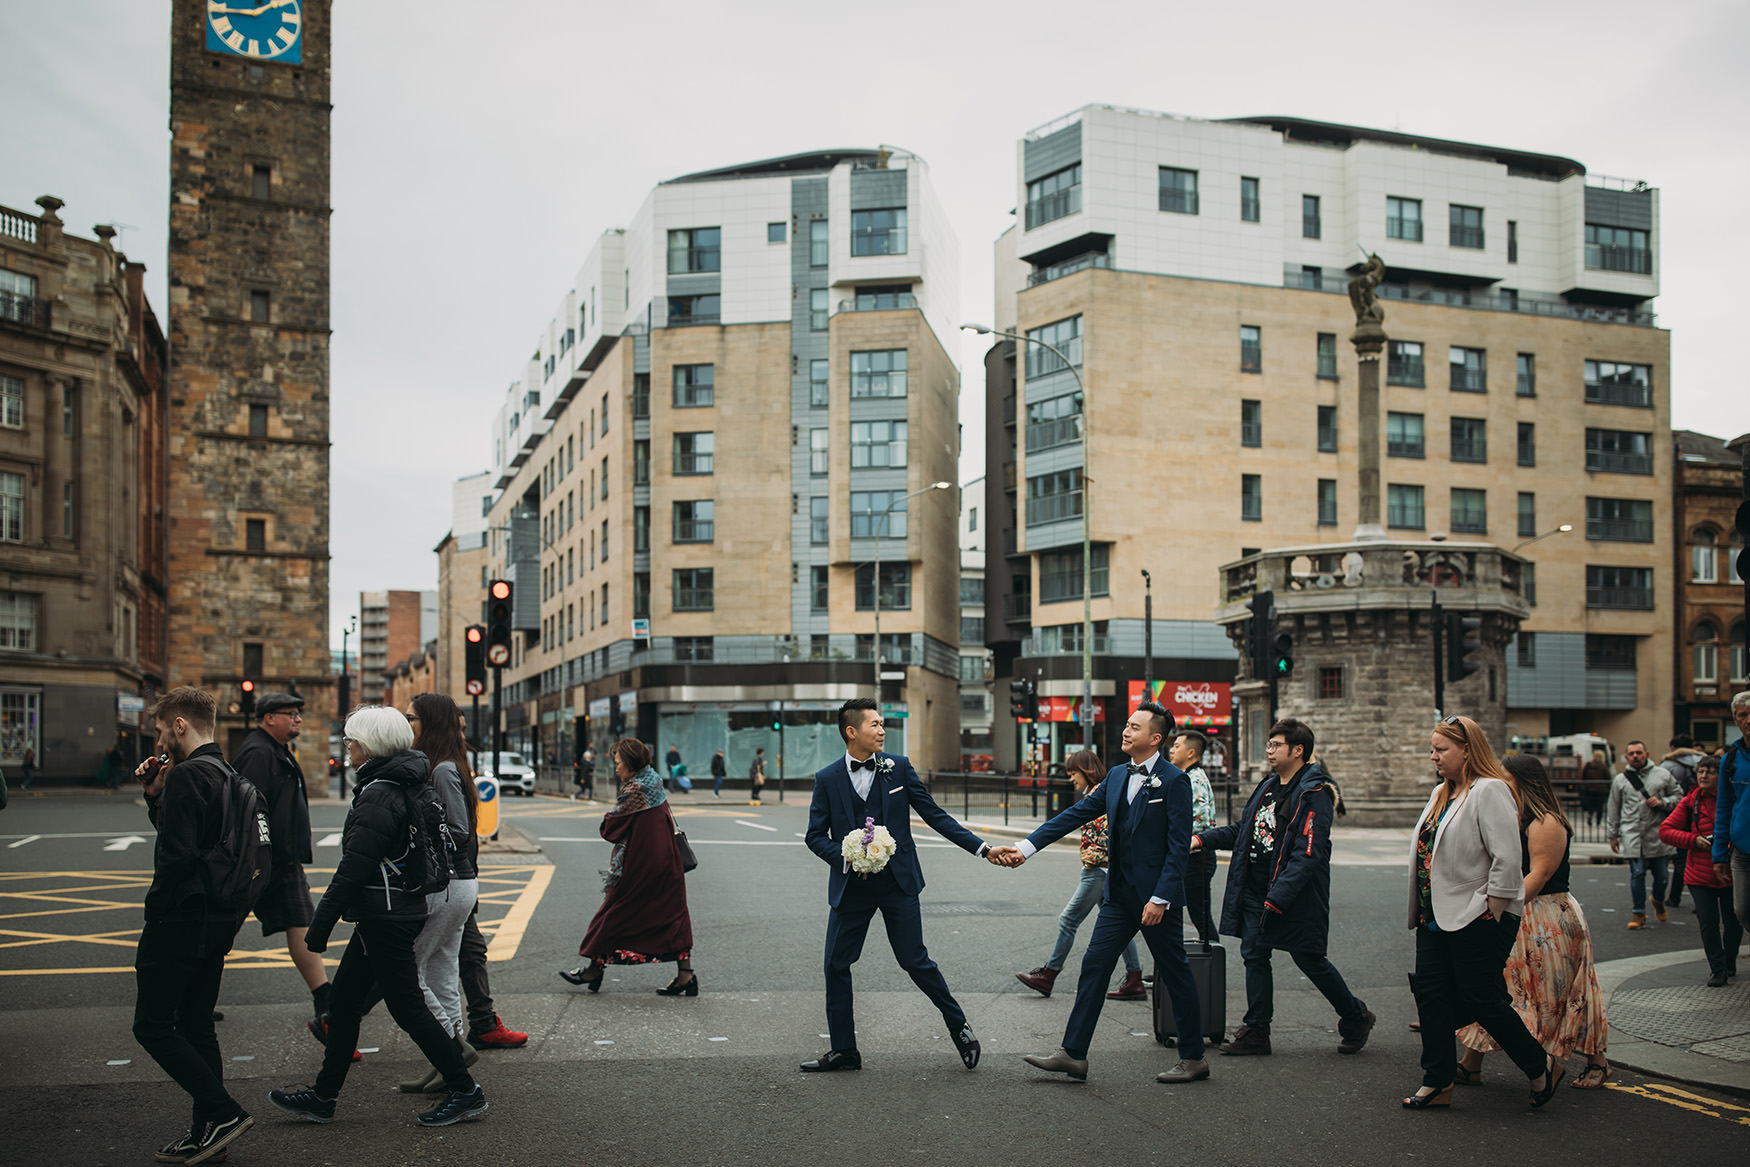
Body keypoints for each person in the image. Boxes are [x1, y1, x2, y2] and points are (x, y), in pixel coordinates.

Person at [268, 706, 487, 1128]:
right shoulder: (403, 780)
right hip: (388, 912)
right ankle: (324, 1096)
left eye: (351, 741)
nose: (346, 747)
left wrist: (320, 925)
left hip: (386, 916)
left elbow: (355, 866)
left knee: (407, 1008)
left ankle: (465, 1090)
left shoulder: (380, 792)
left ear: (369, 745)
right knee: (345, 1005)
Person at [1005, 701, 1212, 1086]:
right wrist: (1027, 847)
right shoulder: (1116, 775)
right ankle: (1073, 1054)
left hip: (1156, 901)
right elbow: (1074, 815)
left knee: (1176, 973)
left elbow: (1178, 845)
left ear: (1155, 738)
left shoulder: (1174, 781)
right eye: (1126, 724)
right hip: (1118, 896)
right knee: (1094, 966)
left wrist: (1161, 898)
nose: (1125, 731)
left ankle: (1194, 1057)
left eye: (1135, 727)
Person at [800, 697, 996, 1073]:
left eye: (882, 723)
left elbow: (935, 816)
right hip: (851, 886)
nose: (882, 729)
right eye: (874, 724)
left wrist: (982, 848)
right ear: (851, 731)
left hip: (897, 883)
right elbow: (814, 835)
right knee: (835, 965)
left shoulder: (898, 768)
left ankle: (960, 1028)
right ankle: (844, 1051)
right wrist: (845, 854)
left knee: (915, 961)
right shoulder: (827, 779)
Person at [1404, 715, 1562, 1110]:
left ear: (1468, 750)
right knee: (1432, 996)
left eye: (1441, 749)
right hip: (1433, 916)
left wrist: (1490, 909)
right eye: (1432, 749)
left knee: (1481, 997)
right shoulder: (1442, 792)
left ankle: (1539, 1064)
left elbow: (1507, 859)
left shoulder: (1490, 790)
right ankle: (1437, 1081)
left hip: (1477, 915)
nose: (1433, 756)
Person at [1193, 717, 1375, 1058]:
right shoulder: (1267, 786)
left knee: (1310, 959)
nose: (1269, 750)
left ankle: (1355, 1015)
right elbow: (1244, 830)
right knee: (1254, 954)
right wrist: (1201, 839)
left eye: (1276, 745)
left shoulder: (1314, 793)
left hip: (1293, 894)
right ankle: (1257, 1029)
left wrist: (1278, 897)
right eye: (1269, 744)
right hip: (1255, 889)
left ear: (1298, 750)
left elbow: (1308, 852)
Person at [131, 686, 255, 1164]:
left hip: (179, 919)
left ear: (180, 725)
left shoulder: (187, 776)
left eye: (162, 729)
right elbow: (199, 843)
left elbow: (176, 859)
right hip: (218, 918)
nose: (160, 740)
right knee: (198, 1024)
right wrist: (154, 797)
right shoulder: (227, 774)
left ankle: (221, 1112)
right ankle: (210, 1133)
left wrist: (155, 915)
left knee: (153, 1025)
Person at [1457, 754, 1611, 1089]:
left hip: (1546, 917)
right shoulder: (1510, 817)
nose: (1497, 784)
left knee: (1566, 992)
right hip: (1518, 912)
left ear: (1522, 781)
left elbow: (1539, 875)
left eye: (1504, 778)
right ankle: (1471, 1063)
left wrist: (1496, 909)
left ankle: (1597, 1061)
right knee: (1495, 988)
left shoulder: (1545, 821)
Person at [559, 738, 697, 995]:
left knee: (613, 913)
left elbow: (609, 827)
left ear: (631, 764)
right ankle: (685, 974)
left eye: (618, 763)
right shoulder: (654, 780)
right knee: (671, 916)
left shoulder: (635, 790)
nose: (616, 768)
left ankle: (594, 969)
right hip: (667, 863)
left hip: (642, 865)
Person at [230, 692, 331, 1027]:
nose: (298, 719)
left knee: (302, 923)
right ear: (269, 717)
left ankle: (323, 997)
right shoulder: (258, 752)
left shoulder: (275, 750)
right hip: (260, 860)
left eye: (298, 714)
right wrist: (255, 855)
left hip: (282, 859)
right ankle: (189, 999)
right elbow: (246, 808)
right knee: (221, 927)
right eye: (291, 714)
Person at [400, 693, 482, 1093]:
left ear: (429, 723)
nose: (407, 723)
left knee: (407, 971)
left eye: (411, 717)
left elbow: (460, 830)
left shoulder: (444, 769)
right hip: (457, 885)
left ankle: (450, 1049)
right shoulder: (444, 765)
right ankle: (447, 1065)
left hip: (450, 885)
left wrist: (421, 837)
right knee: (442, 972)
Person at [1014, 750, 1145, 1002]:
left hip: (1098, 870)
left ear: (1086, 770)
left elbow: (1111, 834)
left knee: (1068, 920)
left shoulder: (1100, 794)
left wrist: (1094, 860)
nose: (1071, 778)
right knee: (1119, 925)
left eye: (1073, 773)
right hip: (1101, 869)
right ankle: (1135, 978)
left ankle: (1049, 974)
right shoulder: (1098, 793)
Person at [1664, 754, 1741, 987]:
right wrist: (1693, 840)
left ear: (1722, 776)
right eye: (1701, 771)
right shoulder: (1691, 801)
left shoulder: (1734, 799)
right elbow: (1666, 830)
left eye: (1710, 772)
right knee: (1708, 923)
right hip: (1699, 873)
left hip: (1730, 872)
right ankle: (1717, 969)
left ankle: (1729, 961)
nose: (1704, 776)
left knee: (1734, 922)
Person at [1606, 740, 1681, 928]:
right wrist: (1612, 835)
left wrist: (1663, 802)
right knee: (1637, 874)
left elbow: (1679, 797)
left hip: (1658, 833)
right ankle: (1638, 913)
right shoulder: (1620, 780)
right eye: (1631, 753)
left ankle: (1658, 900)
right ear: (1626, 757)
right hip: (1633, 833)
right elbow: (1613, 808)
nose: (1635, 756)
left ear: (1646, 754)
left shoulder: (1663, 775)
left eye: (1639, 752)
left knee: (1662, 876)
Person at [1169, 729, 1220, 944]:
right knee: (1175, 913)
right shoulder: (1185, 777)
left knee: (1200, 917)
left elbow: (1199, 822)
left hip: (1195, 857)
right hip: (1188, 856)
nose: (1171, 750)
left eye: (1177, 746)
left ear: (1191, 753)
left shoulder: (1194, 779)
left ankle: (1213, 966)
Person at [1714, 692, 1750, 934]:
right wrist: (1719, 854)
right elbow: (1724, 808)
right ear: (1735, 720)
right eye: (1743, 715)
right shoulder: (1730, 760)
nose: (1748, 720)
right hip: (1742, 851)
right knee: (1742, 910)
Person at [1660, 734, 1704, 909]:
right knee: (1698, 853)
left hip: (1678, 812)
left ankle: (1676, 897)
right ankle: (1690, 898)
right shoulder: (1703, 761)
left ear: (1673, 748)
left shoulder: (1667, 765)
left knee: (1680, 857)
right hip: (1701, 810)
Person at [1579, 749, 1611, 826]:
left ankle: (1590, 814)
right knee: (1600, 807)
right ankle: (1598, 822)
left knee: (1591, 804)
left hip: (1589, 789)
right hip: (1601, 790)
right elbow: (1608, 777)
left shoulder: (1588, 765)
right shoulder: (1604, 767)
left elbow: (1584, 776)